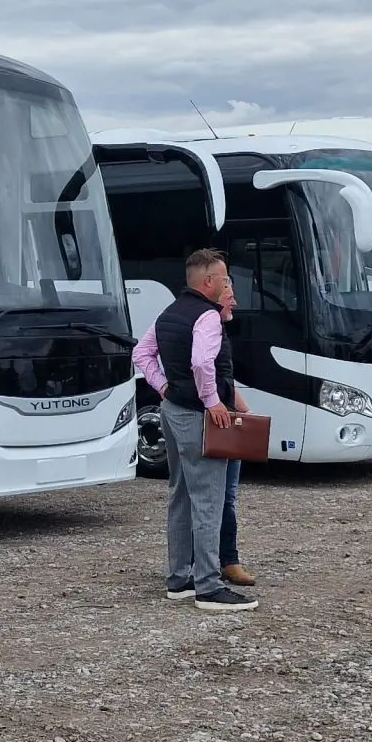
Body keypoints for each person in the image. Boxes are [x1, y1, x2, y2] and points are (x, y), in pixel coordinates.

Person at [132, 249, 254, 613]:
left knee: (181, 495)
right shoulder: (207, 317)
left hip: (171, 411)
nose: (228, 282)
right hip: (199, 416)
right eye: (225, 278)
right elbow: (202, 362)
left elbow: (142, 354)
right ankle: (208, 586)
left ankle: (180, 579)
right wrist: (213, 400)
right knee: (209, 499)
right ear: (208, 282)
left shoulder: (169, 313)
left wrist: (163, 387)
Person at [214, 287, 256, 590]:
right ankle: (226, 561)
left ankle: (226, 559)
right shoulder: (206, 331)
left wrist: (244, 409)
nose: (236, 302)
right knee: (218, 499)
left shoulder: (219, 333)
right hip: (218, 422)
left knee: (226, 497)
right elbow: (204, 375)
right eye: (230, 295)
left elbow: (223, 379)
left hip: (230, 419)